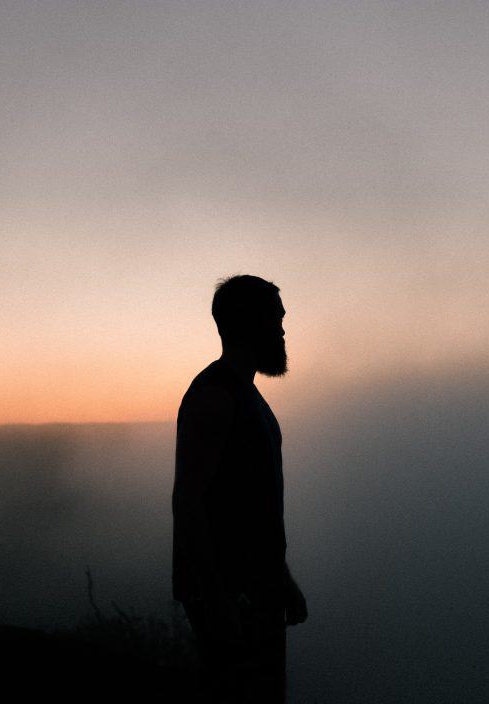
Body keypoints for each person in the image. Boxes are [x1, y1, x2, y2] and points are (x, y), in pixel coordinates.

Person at [172, 274, 308, 703]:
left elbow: (255, 505)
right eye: (277, 318)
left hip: (254, 590)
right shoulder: (215, 395)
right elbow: (189, 500)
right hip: (234, 594)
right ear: (248, 322)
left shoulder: (246, 395)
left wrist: (281, 577)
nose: (284, 330)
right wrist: (215, 598)